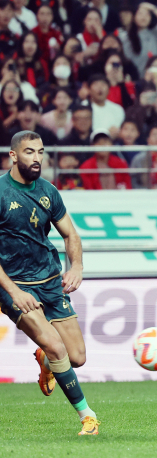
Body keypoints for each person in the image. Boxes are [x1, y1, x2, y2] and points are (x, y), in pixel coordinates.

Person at [0, 130, 100, 435]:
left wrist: (77, 267)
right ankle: (88, 417)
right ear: (14, 156)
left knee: (77, 358)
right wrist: (14, 292)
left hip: (51, 281)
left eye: (41, 152)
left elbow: (71, 234)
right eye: (30, 152)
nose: (37, 158)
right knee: (57, 346)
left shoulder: (49, 191)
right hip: (15, 286)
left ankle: (45, 358)